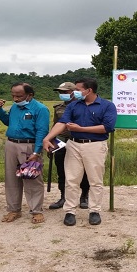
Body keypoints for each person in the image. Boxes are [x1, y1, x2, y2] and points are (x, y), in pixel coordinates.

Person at [42, 78, 117, 226]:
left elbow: (107, 127)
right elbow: (62, 123)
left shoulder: (107, 106)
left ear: (89, 90)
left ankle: (94, 210)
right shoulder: (74, 105)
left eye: (78, 89)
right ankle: (70, 211)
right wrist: (48, 138)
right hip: (74, 145)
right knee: (72, 179)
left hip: (95, 146)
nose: (75, 92)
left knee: (95, 180)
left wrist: (80, 129)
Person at [0, 83, 49, 224]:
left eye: (19, 96)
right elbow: (8, 122)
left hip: (29, 146)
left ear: (29, 95)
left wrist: (37, 151)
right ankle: (14, 210)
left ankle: (36, 211)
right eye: (13, 95)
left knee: (32, 179)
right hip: (11, 144)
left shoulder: (40, 109)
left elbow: (42, 131)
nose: (15, 99)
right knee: (11, 178)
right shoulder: (15, 107)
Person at [49, 82, 90, 210]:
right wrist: (50, 141)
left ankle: (84, 196)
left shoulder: (83, 106)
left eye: (65, 92)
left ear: (74, 92)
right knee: (61, 169)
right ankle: (63, 197)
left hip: (78, 139)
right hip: (61, 140)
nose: (62, 95)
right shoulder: (58, 107)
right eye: (60, 92)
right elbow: (55, 125)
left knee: (83, 170)